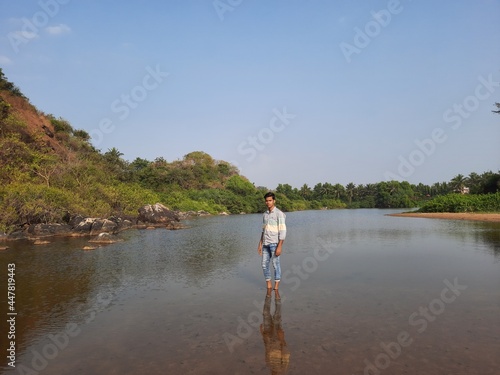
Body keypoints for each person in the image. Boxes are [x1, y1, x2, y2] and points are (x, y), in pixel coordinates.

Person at [258, 192, 286, 291]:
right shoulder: (265, 215)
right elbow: (263, 230)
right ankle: (269, 285)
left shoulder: (279, 214)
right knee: (264, 264)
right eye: (266, 201)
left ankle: (276, 287)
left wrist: (280, 246)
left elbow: (282, 231)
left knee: (275, 264)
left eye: (270, 200)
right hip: (265, 243)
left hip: (275, 243)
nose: (268, 202)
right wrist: (260, 244)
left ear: (274, 201)